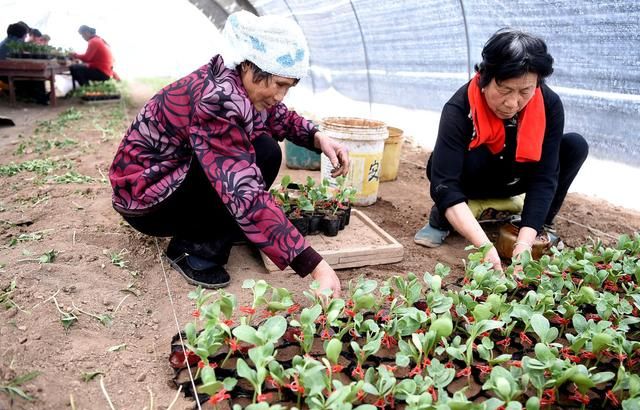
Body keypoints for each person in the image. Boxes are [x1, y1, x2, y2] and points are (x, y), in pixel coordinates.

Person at [109, 11, 349, 296]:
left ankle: (217, 227)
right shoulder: (219, 100)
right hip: (147, 199)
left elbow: (276, 115)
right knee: (240, 169)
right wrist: (315, 265)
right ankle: (192, 250)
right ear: (250, 65)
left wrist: (317, 137)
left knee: (266, 151)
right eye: (280, 84)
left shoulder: (234, 78)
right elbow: (243, 190)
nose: (281, 96)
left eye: (289, 86)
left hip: (167, 180)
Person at [414, 28, 588, 271]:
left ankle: (539, 223)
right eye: (505, 90)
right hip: (473, 180)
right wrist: (485, 248)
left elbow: (544, 177)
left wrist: (524, 246)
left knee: (574, 146)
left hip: (515, 177)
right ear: (484, 77)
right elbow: (445, 182)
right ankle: (442, 219)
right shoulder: (459, 107)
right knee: (443, 169)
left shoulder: (549, 104)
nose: (512, 103)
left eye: (525, 91)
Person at [0, 21, 49, 105]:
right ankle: (40, 99)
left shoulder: (3, 43)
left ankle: (33, 96)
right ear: (21, 35)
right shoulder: (18, 43)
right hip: (9, 75)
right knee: (36, 76)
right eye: (25, 35)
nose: (26, 36)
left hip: (3, 75)